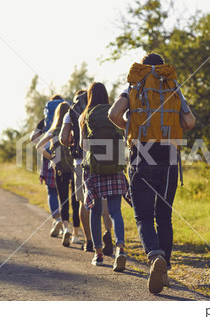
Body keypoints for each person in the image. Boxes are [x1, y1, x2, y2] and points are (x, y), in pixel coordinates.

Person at [109, 53, 196, 293]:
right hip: (169, 155)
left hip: (142, 154)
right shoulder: (172, 85)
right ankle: (164, 268)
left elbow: (114, 114)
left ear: (143, 66)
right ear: (163, 66)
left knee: (143, 217)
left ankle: (154, 256)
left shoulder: (134, 85)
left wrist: (130, 126)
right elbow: (189, 122)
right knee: (164, 217)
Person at [80, 82, 129, 271]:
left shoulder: (85, 116)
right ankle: (121, 249)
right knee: (116, 211)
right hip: (115, 167)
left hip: (95, 169)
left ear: (90, 96)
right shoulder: (114, 113)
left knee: (95, 210)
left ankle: (98, 254)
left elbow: (84, 146)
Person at [60, 90, 114, 255]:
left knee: (85, 203)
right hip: (107, 159)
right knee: (105, 201)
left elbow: (63, 139)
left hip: (81, 162)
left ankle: (90, 241)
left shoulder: (71, 113)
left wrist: (70, 139)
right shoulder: (107, 110)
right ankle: (108, 235)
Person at [37, 101, 80, 247]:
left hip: (60, 168)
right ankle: (76, 234)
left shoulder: (53, 130)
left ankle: (66, 226)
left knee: (63, 199)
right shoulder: (73, 129)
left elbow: (39, 146)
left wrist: (51, 157)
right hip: (74, 168)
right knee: (75, 200)